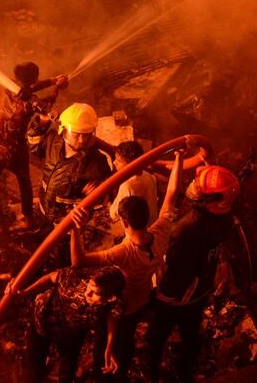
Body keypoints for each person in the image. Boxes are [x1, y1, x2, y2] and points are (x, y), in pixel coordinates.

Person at [69, 150, 184, 381]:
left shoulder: (123, 253)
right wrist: (180, 158)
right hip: (142, 299)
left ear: (124, 222)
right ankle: (121, 363)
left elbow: (78, 262)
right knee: (127, 336)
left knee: (107, 339)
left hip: (121, 306)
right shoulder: (161, 232)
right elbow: (171, 194)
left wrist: (75, 230)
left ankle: (106, 371)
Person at [145, 165, 240, 382]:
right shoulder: (225, 215)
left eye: (200, 189)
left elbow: (177, 273)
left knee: (156, 337)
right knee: (191, 335)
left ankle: (152, 375)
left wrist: (161, 297)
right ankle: (185, 371)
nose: (193, 188)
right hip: (201, 287)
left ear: (214, 200)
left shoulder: (187, 230)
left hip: (179, 296)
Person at [0, 63, 67, 249]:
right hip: (16, 149)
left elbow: (30, 87)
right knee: (24, 181)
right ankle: (28, 219)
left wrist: (52, 80)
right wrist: (57, 86)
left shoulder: (6, 85)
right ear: (33, 79)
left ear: (16, 77)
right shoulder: (30, 104)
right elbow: (47, 104)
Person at [8, 266, 126, 383]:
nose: (87, 293)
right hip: (44, 319)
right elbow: (50, 277)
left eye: (95, 292)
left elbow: (113, 315)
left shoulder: (116, 301)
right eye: (90, 286)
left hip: (72, 331)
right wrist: (25, 293)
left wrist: (109, 345)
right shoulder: (72, 279)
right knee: (32, 366)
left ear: (111, 298)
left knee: (67, 370)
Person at [27, 102, 112, 226]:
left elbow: (109, 192)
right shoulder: (52, 141)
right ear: (64, 129)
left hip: (68, 221)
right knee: (44, 233)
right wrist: (40, 124)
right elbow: (33, 148)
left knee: (63, 244)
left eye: (87, 134)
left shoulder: (97, 161)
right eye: (77, 134)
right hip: (44, 205)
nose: (82, 140)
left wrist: (100, 190)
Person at [109, 141, 158, 235]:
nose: (114, 162)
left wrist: (109, 205)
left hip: (138, 232)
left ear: (131, 164)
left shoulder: (127, 185)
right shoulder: (149, 176)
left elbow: (114, 214)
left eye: (118, 161)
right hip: (153, 224)